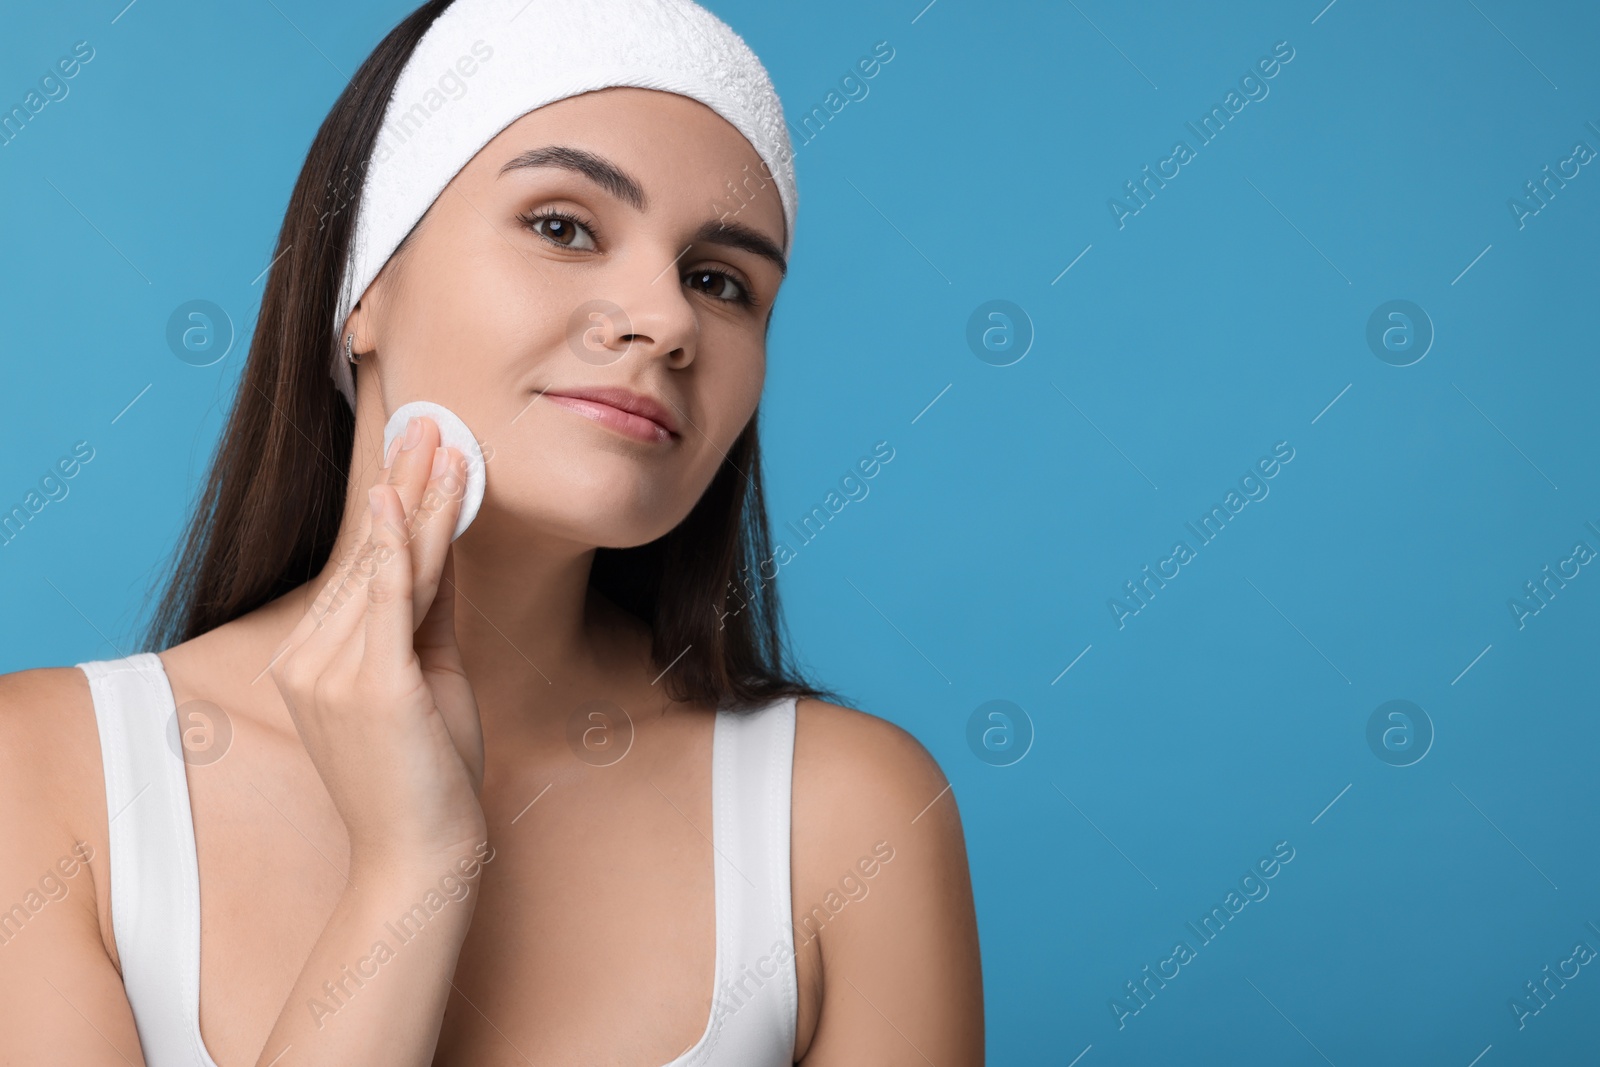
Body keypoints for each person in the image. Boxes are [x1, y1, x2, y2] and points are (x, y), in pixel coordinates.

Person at [0, 0, 983, 1063]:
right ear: (363, 288)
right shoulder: (43, 779)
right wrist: (410, 870)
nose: (666, 319)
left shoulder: (848, 821)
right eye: (562, 225)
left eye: (720, 280)